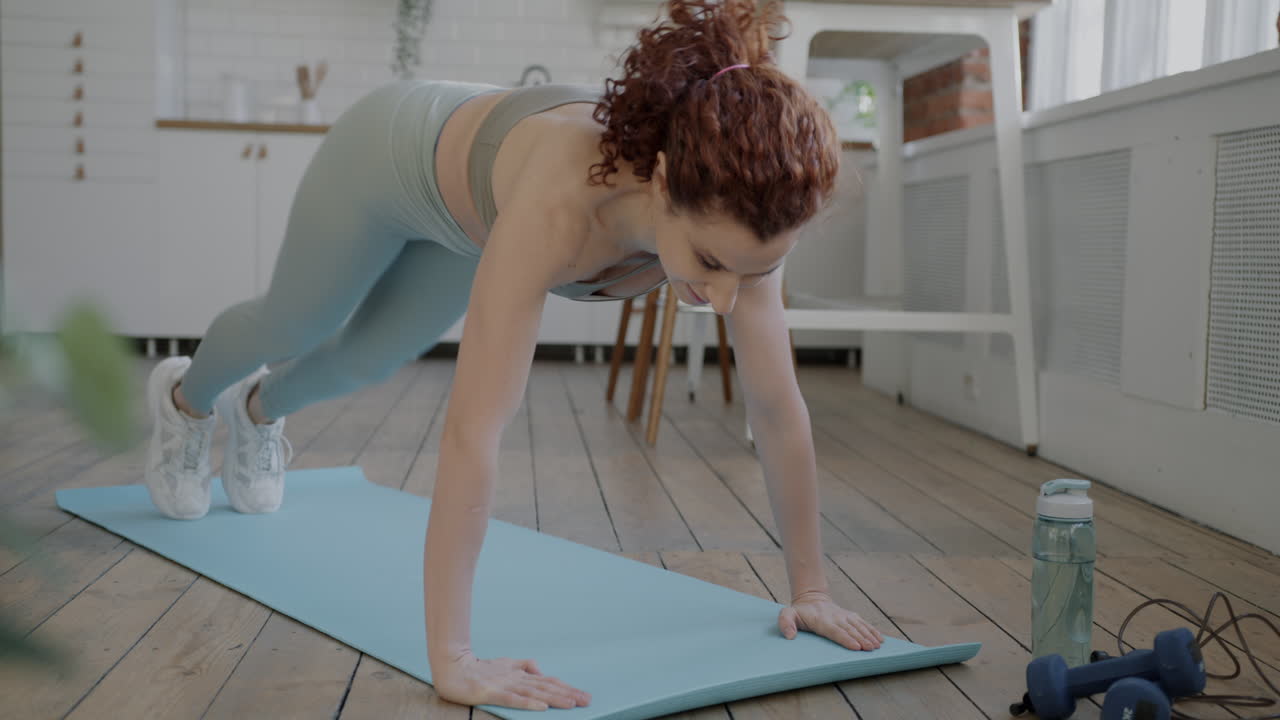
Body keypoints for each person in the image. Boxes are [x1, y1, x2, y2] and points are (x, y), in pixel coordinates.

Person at [141, 0, 885, 712]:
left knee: (365, 361)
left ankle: (256, 412)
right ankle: (185, 401)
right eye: (710, 263)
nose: (726, 298)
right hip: (390, 156)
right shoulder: (560, 208)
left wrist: (810, 590)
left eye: (749, 274)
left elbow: (778, 408)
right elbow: (476, 427)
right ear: (662, 184)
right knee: (295, 324)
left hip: (471, 209)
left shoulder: (747, 220)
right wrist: (454, 658)